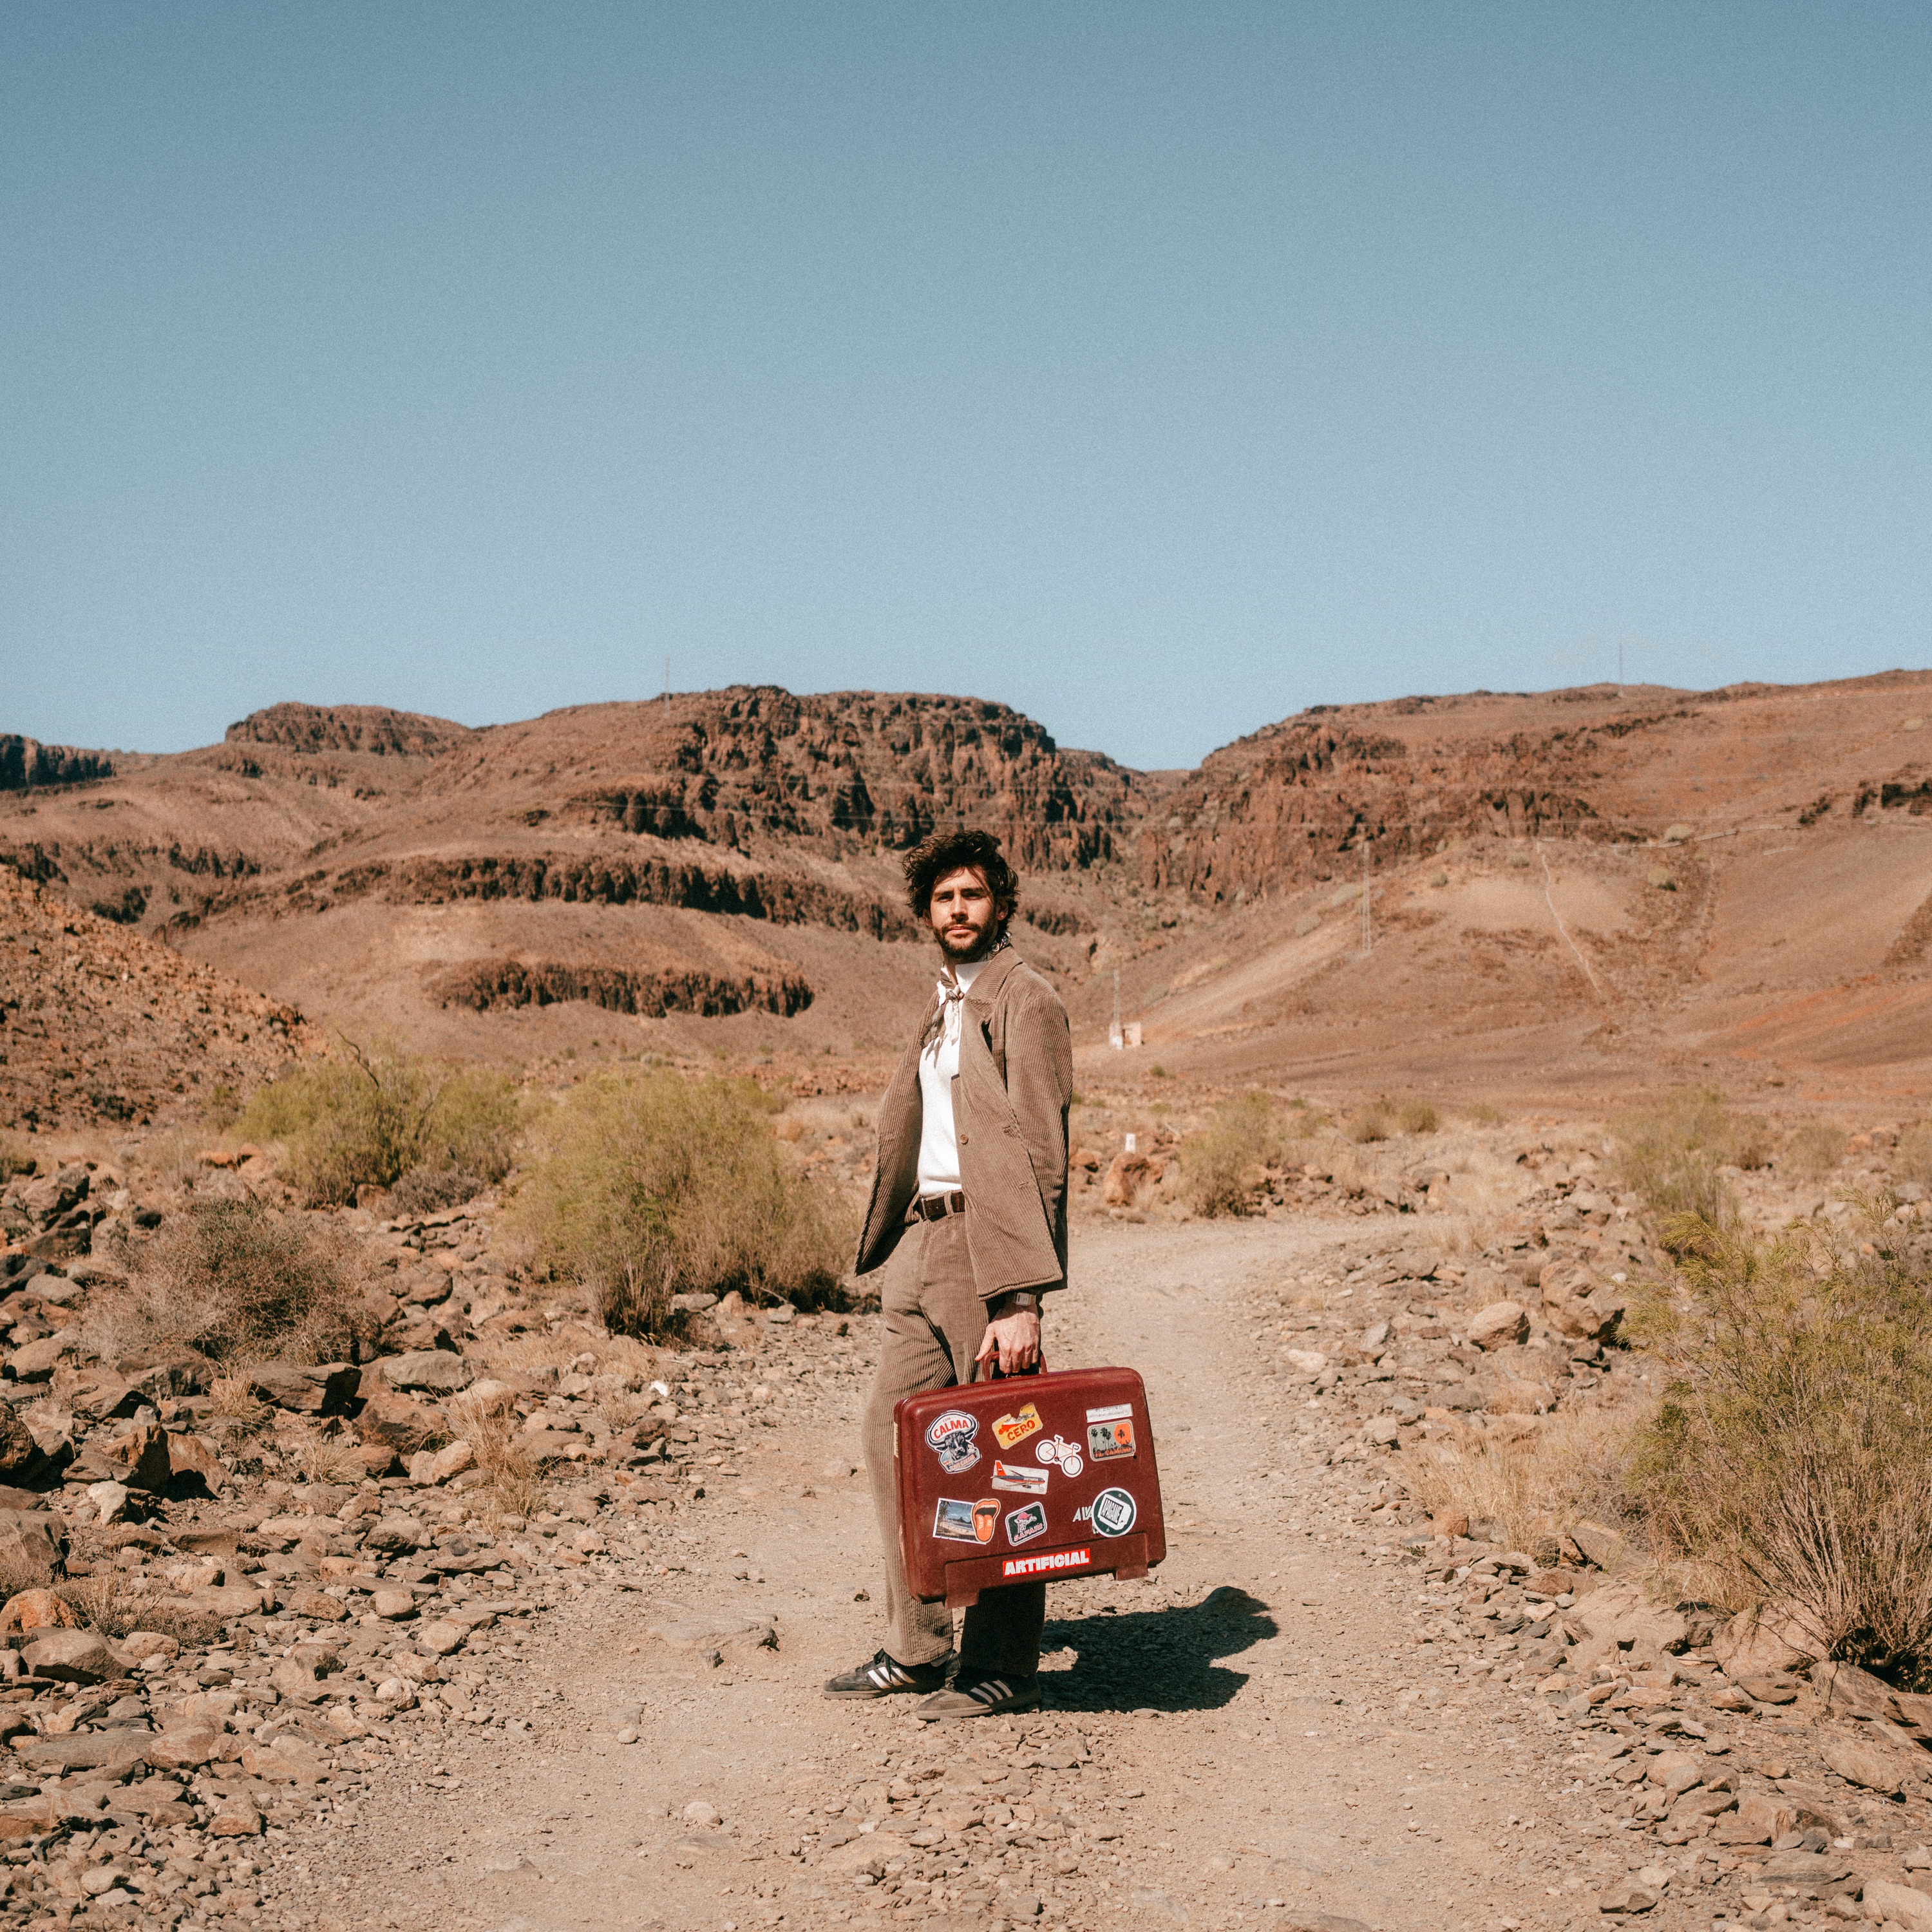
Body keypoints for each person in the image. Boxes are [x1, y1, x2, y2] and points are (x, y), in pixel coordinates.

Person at [824, 827, 1073, 1721]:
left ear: (1000, 904)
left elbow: (1043, 1150)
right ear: (926, 913)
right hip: (920, 1246)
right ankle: (917, 1648)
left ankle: (1003, 1659)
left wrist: (1021, 1296)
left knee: (1004, 1460)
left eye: (972, 896)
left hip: (987, 1252)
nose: (957, 911)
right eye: (943, 899)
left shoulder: (1026, 1000)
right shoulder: (942, 1003)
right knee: (893, 1443)